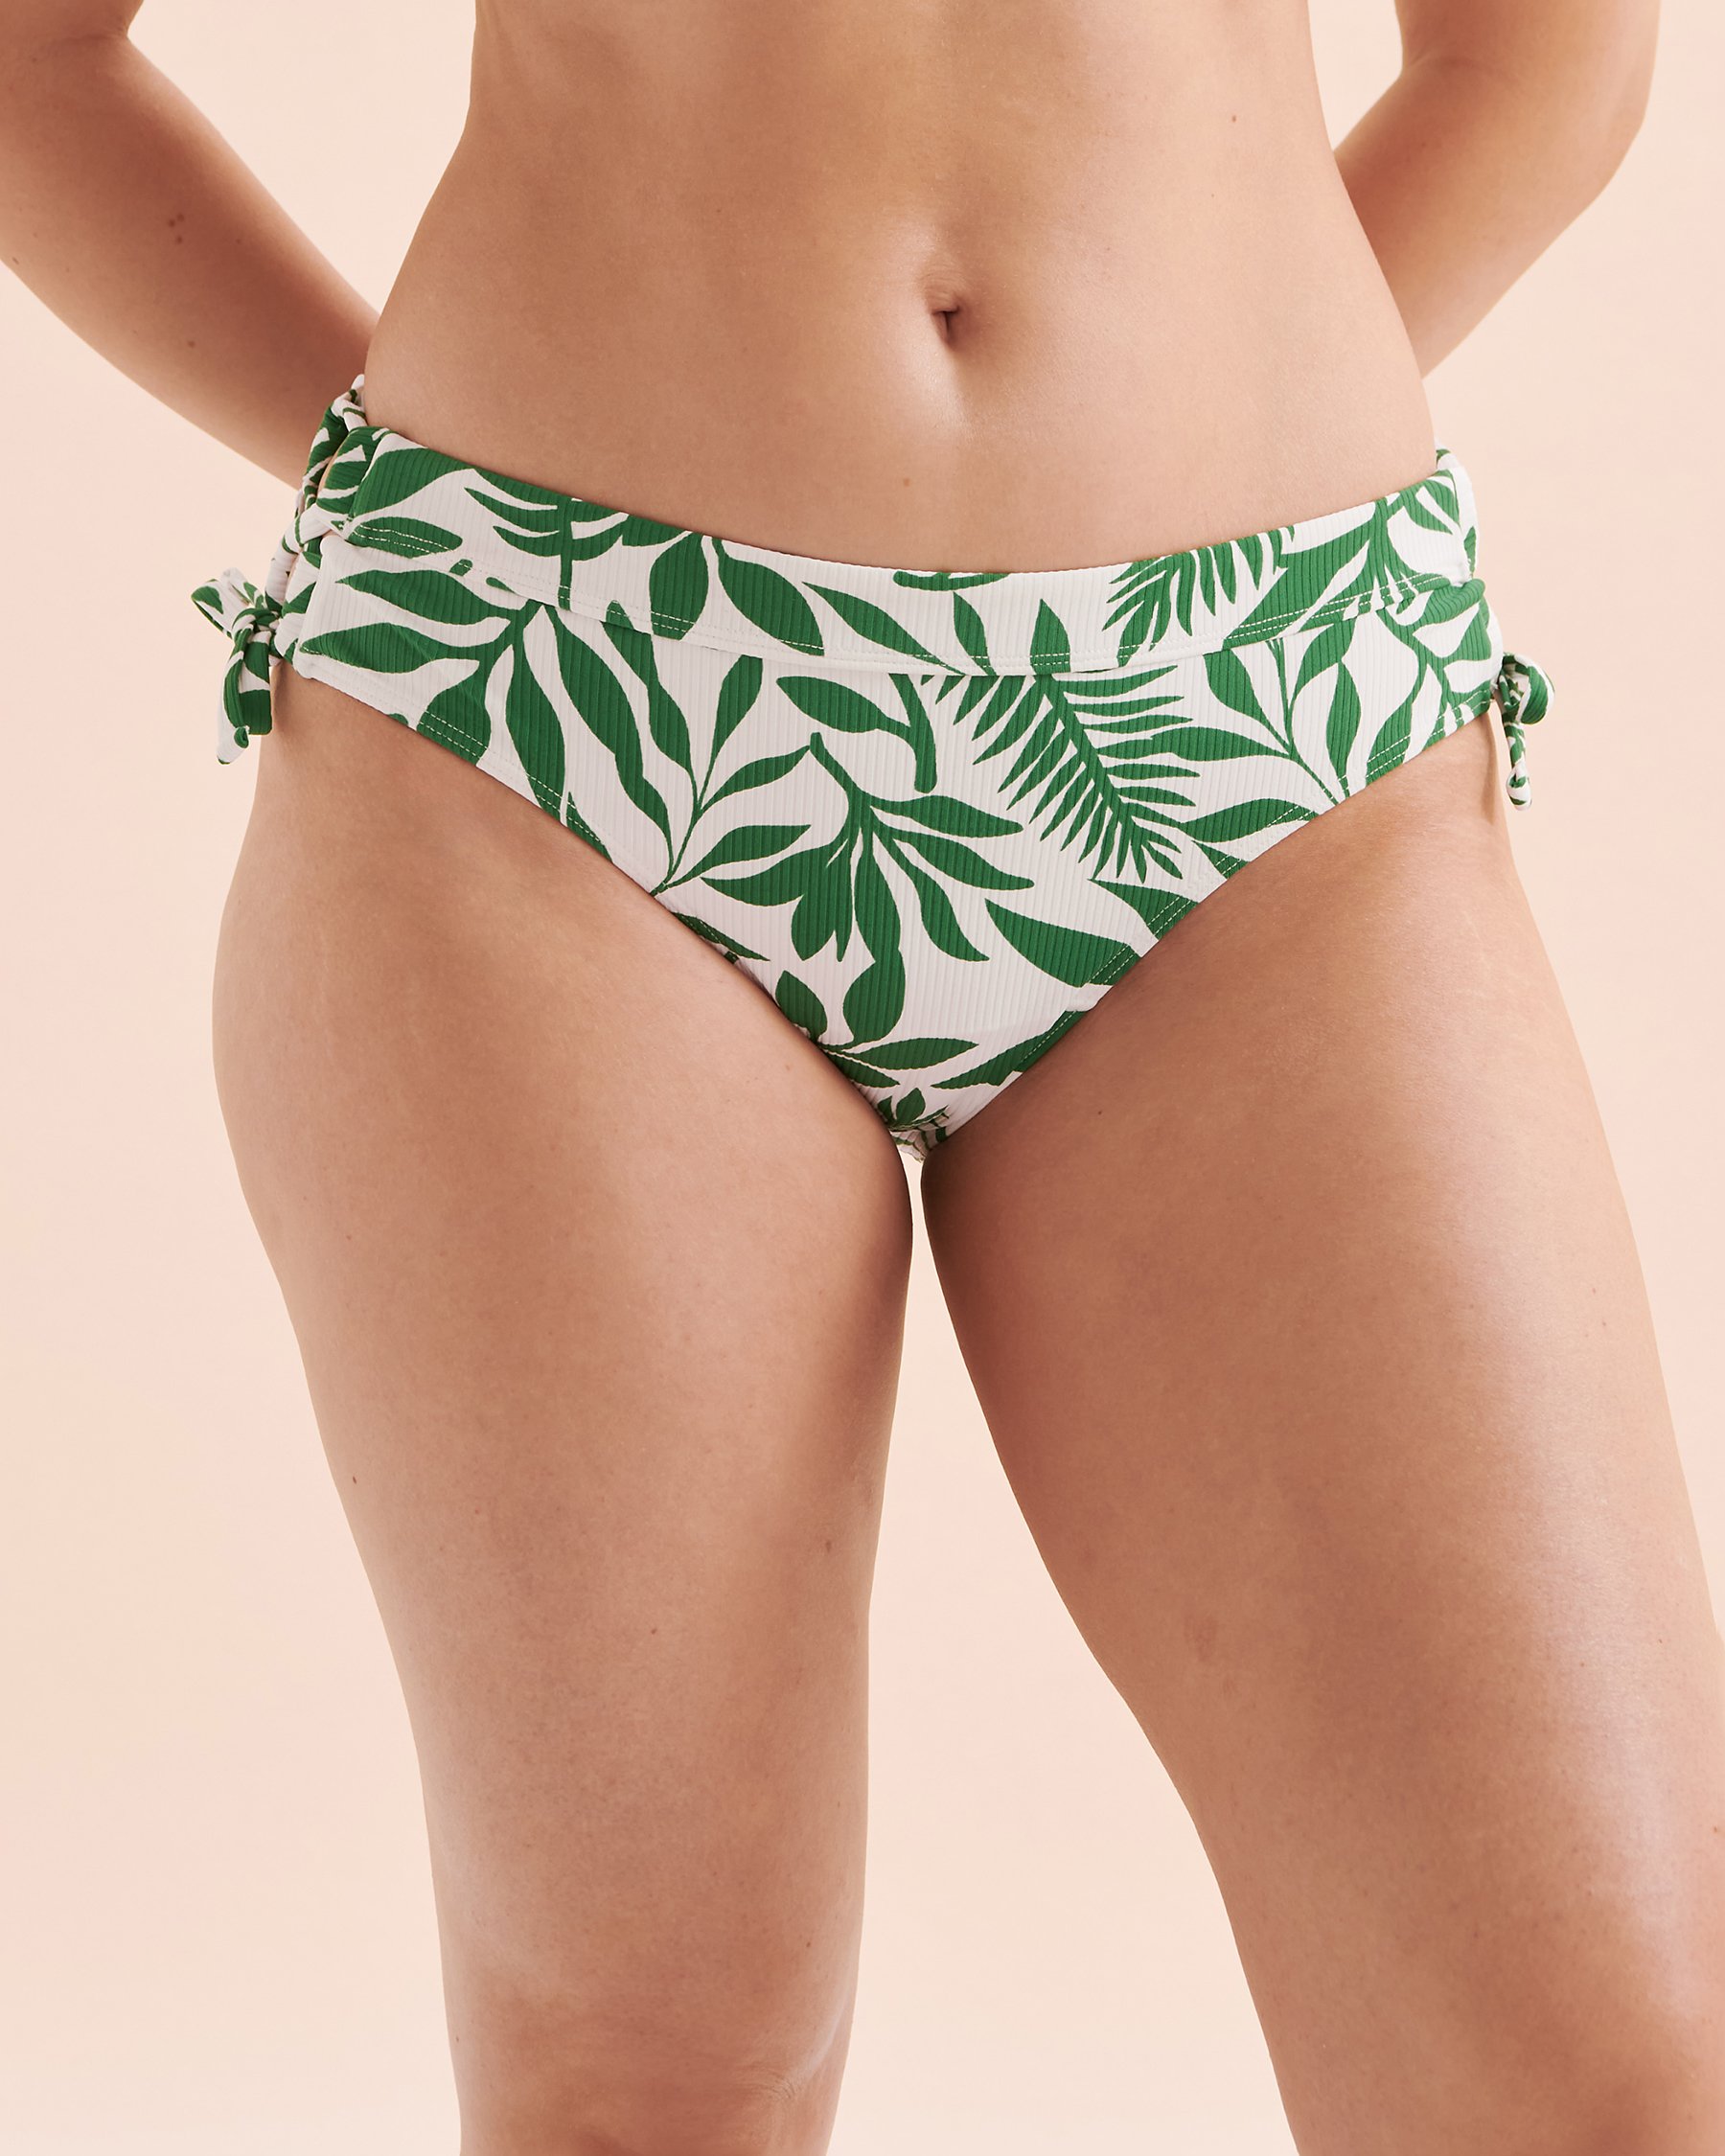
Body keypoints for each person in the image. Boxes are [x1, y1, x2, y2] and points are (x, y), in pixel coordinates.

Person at [6, 2, 1720, 2151]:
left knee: (1610, 2076)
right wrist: (433, 516)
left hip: (1262, 704)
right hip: (557, 693)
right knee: (655, 2071)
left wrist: (1172, 475)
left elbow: (1544, 64)